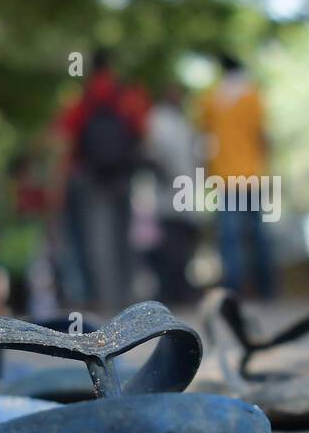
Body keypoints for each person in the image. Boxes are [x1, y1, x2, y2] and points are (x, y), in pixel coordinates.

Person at [56, 49, 148, 311]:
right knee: (124, 236)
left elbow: (67, 138)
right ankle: (125, 295)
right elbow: (142, 132)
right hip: (122, 175)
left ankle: (102, 297)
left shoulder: (82, 97)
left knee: (97, 238)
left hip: (91, 177)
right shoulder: (127, 95)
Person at [198, 54, 275, 299]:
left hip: (225, 178)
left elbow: (205, 137)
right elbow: (263, 136)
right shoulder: (253, 96)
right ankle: (266, 288)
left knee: (229, 237)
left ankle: (233, 292)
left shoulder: (211, 99)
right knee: (257, 233)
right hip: (252, 175)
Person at [145, 83, 201, 306]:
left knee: (183, 245)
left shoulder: (182, 122)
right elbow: (155, 155)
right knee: (171, 245)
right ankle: (171, 289)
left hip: (184, 193)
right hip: (170, 193)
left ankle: (180, 288)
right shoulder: (159, 120)